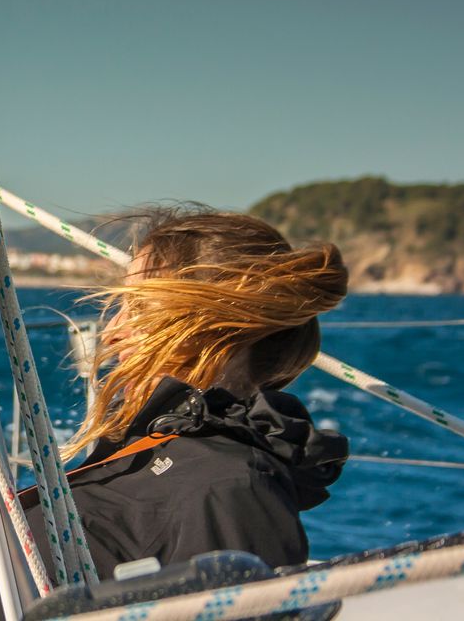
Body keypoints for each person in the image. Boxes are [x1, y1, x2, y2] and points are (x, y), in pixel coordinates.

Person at [23, 209, 349, 579]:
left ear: (214, 325)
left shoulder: (229, 487)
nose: (112, 332)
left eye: (141, 306)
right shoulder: (152, 445)